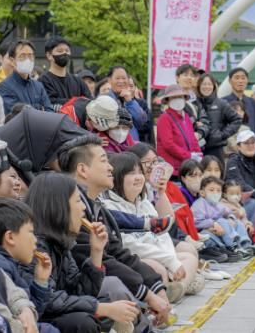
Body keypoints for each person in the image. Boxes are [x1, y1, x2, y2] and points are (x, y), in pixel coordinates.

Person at [57, 135, 172, 324]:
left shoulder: (93, 205)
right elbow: (104, 261)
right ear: (83, 170)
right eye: (104, 161)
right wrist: (148, 295)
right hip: (74, 296)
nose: (111, 167)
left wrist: (154, 285)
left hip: (90, 287)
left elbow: (117, 252)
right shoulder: (69, 208)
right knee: (113, 285)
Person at [24, 172, 142, 333]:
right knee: (83, 321)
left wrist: (96, 251)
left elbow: (80, 292)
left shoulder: (60, 244)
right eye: (78, 201)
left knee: (104, 305)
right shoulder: (34, 246)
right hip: (36, 319)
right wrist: (100, 308)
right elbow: (48, 300)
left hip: (53, 313)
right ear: (59, 206)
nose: (84, 208)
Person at [100, 153, 201, 299]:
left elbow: (163, 232)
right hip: (135, 256)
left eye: (140, 172)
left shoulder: (144, 202)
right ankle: (172, 290)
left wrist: (171, 260)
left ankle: (176, 289)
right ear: (116, 176)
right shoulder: (109, 206)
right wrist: (169, 262)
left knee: (189, 258)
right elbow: (130, 245)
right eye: (131, 173)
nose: (138, 177)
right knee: (158, 269)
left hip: (157, 252)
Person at [128, 143, 229, 264]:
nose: (153, 166)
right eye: (147, 162)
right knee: (190, 250)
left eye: (155, 161)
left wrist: (161, 192)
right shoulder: (134, 189)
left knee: (191, 249)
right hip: (146, 239)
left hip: (163, 234)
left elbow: (168, 219)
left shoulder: (155, 187)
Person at [0, 198, 55, 330]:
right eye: (31, 232)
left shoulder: (7, 262)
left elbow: (30, 314)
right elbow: (17, 319)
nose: (35, 240)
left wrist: (40, 281)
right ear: (10, 237)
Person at [191, 176, 255, 259]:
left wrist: (231, 218)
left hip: (222, 233)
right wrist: (213, 223)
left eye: (218, 190)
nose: (215, 193)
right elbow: (196, 222)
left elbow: (229, 213)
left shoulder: (218, 204)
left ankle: (245, 246)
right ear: (202, 193)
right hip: (206, 233)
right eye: (211, 190)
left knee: (237, 222)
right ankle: (233, 247)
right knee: (221, 221)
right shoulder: (199, 204)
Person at [225, 129, 255, 225]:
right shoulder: (233, 162)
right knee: (254, 204)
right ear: (239, 146)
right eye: (246, 143)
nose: (250, 146)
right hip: (239, 203)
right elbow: (238, 183)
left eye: (253, 142)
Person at [156, 84, 203, 176]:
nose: (177, 100)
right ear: (168, 100)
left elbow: (193, 139)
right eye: (174, 97)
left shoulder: (186, 117)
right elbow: (168, 145)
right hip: (172, 169)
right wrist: (189, 155)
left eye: (180, 97)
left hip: (187, 166)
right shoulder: (164, 118)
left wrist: (199, 155)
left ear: (184, 99)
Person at [0, 40, 53, 114]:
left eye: (30, 56)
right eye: (22, 56)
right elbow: (16, 114)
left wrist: (32, 109)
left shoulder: (38, 86)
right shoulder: (4, 87)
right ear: (12, 61)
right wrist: (39, 108)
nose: (27, 60)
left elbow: (49, 111)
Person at [195, 73, 241, 160]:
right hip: (197, 147)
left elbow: (237, 120)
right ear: (199, 86)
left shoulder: (222, 103)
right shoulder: (194, 104)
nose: (206, 87)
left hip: (216, 148)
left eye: (209, 84)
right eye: (204, 84)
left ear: (214, 86)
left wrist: (222, 135)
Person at [40, 36, 91, 111]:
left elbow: (89, 101)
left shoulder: (78, 80)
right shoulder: (43, 80)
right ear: (49, 55)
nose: (64, 53)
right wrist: (78, 102)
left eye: (67, 50)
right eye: (60, 51)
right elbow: (51, 102)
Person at [106, 66, 148, 143]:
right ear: (109, 80)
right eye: (117, 78)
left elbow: (142, 121)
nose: (121, 81)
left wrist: (130, 101)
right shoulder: (105, 99)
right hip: (113, 145)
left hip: (132, 144)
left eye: (124, 78)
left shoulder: (130, 99)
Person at [222, 67, 255, 143]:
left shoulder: (254, 103)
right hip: (229, 145)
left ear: (247, 81)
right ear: (230, 81)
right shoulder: (223, 102)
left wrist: (254, 141)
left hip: (251, 145)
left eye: (243, 78)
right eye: (237, 78)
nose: (240, 81)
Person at [176, 64, 210, 150]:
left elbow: (205, 122)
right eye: (185, 75)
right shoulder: (171, 98)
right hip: (179, 146)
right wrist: (195, 124)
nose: (189, 78)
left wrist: (199, 133)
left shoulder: (196, 100)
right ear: (177, 78)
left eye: (192, 75)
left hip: (197, 146)